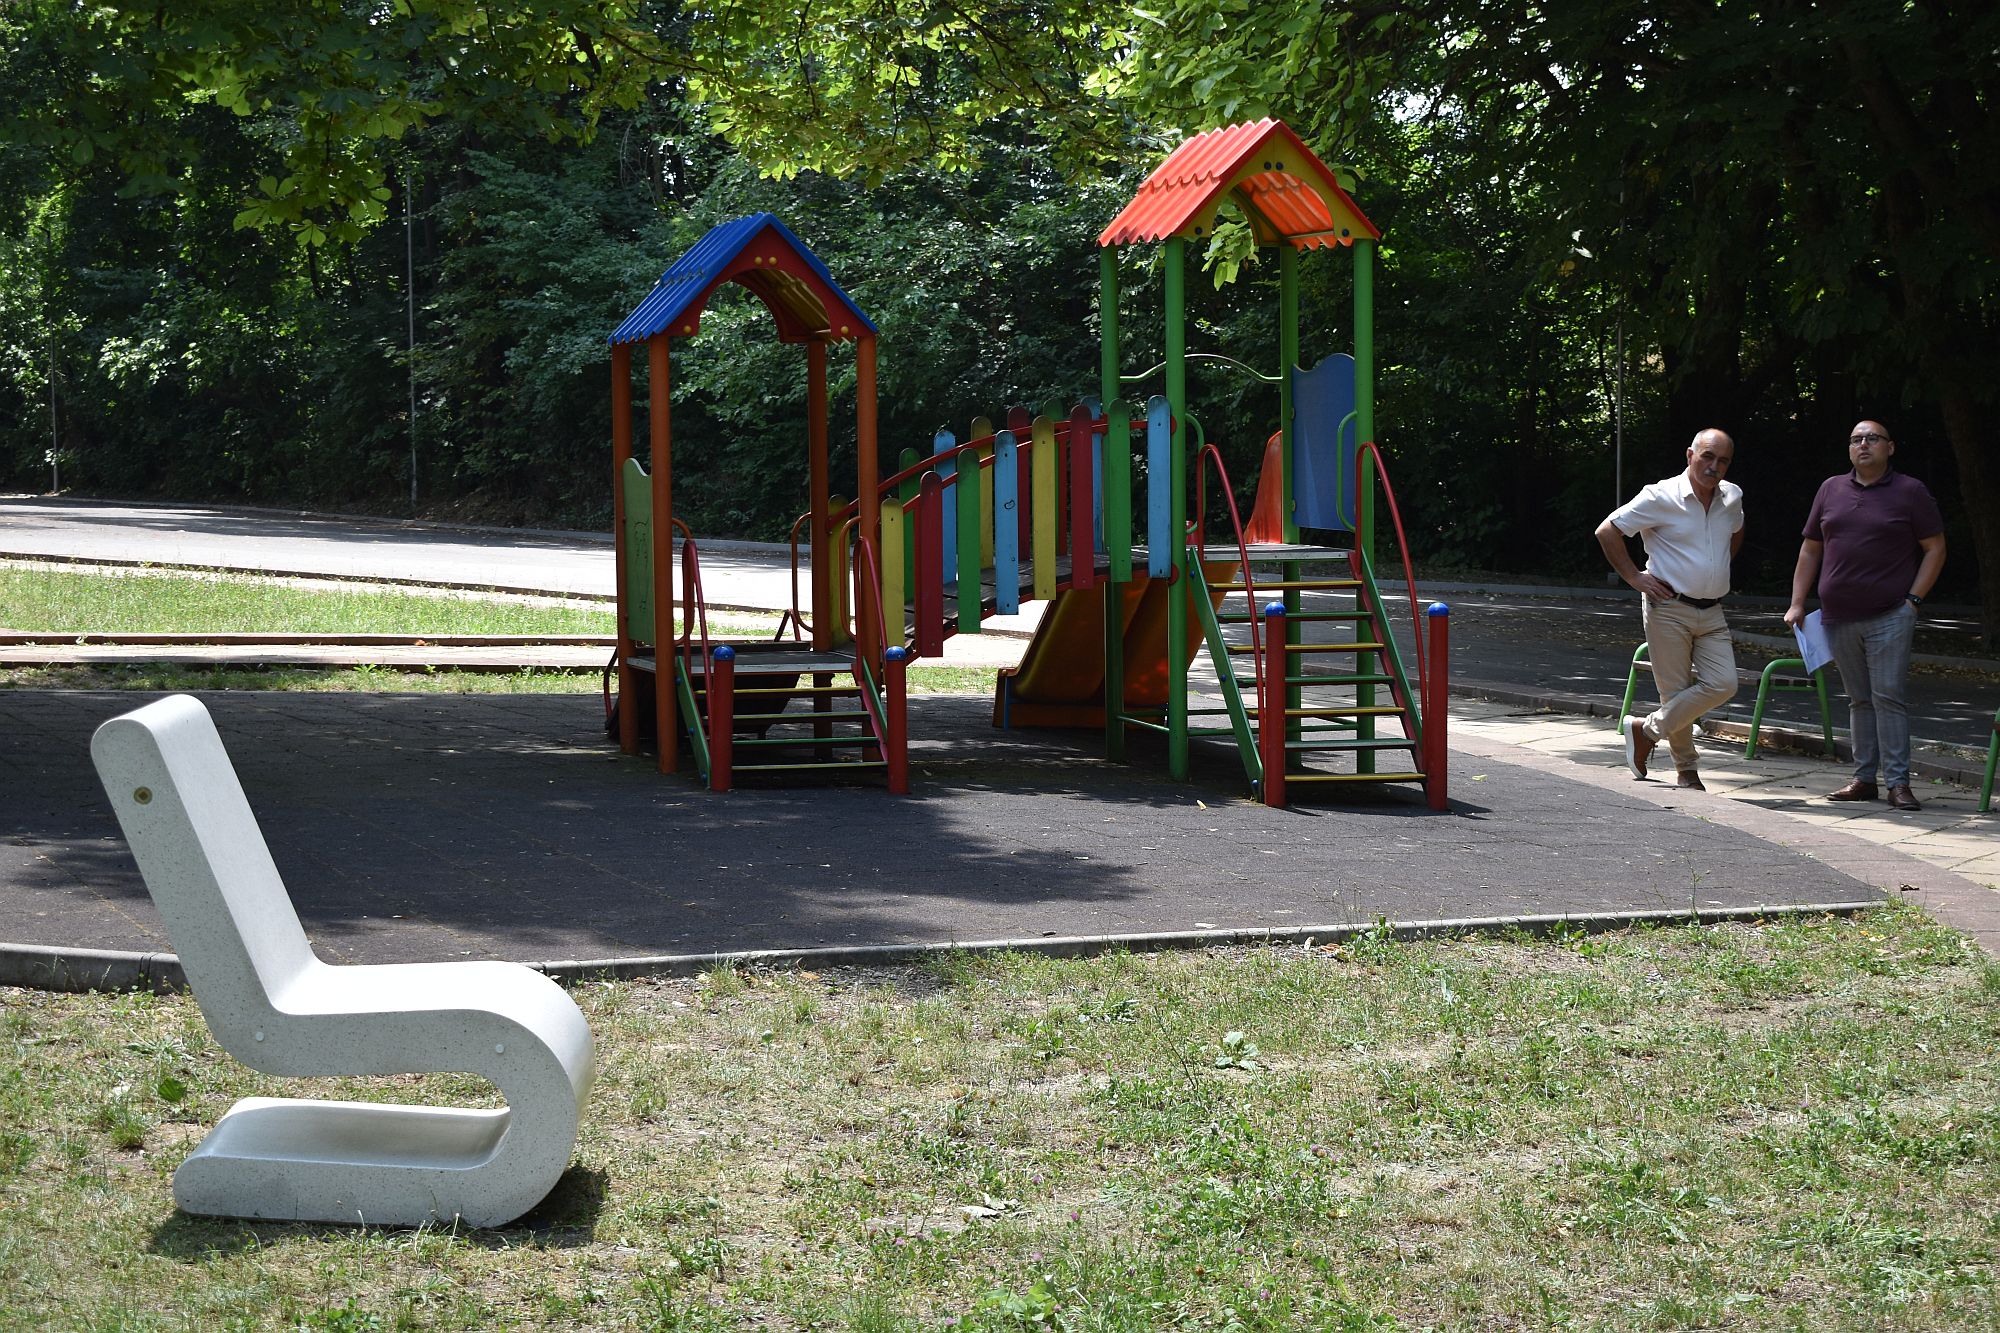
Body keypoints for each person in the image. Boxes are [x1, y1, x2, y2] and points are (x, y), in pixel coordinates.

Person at [1784, 420, 1946, 811]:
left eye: (1872, 439)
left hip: (1891, 614)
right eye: (1856, 439)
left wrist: (1913, 601)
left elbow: (1936, 548)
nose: (1863, 445)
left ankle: (1898, 783)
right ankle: (1863, 778)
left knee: (1888, 697)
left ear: (1890, 447)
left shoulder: (1910, 491)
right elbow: (1810, 549)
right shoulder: (1831, 489)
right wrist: (1797, 601)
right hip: (1838, 617)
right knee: (1859, 700)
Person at [1596, 429, 1744, 790]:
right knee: (1675, 692)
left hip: (1712, 611)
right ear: (1690, 454)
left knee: (1724, 683)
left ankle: (1644, 731)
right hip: (1668, 606)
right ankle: (1687, 771)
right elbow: (1607, 531)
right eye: (1708, 456)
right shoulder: (1660, 495)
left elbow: (1735, 532)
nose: (1714, 466)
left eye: (1722, 460)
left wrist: (1715, 568)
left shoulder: (1732, 496)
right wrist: (1635, 578)